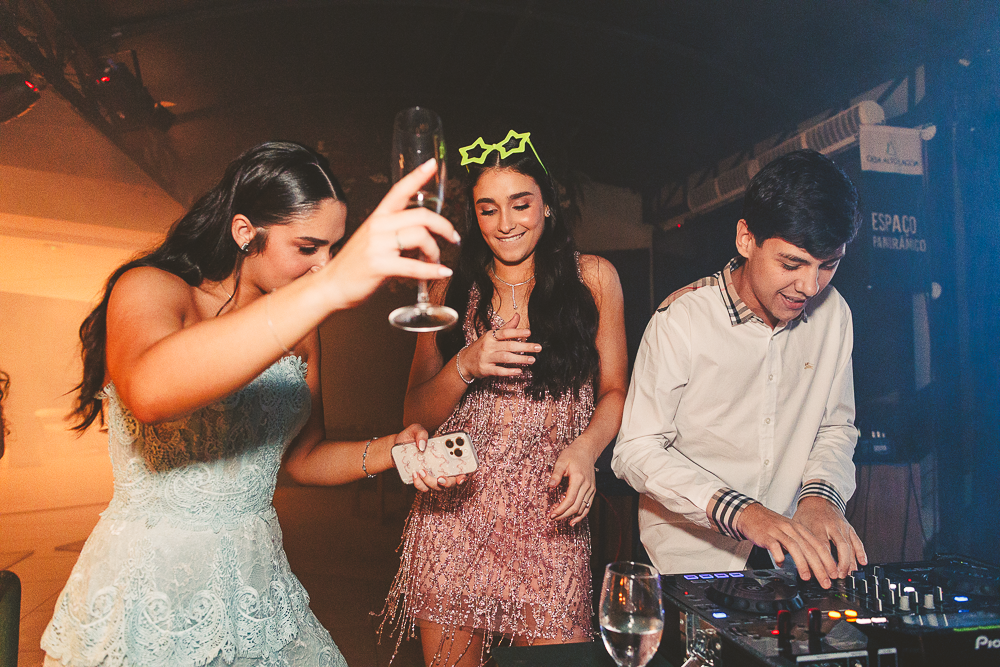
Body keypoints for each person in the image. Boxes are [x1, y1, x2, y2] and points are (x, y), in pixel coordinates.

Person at [40, 141, 459, 667]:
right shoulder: (152, 289)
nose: (322, 266)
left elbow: (302, 458)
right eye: (308, 247)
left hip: (255, 585)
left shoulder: (302, 331)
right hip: (150, 588)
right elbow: (148, 393)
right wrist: (328, 288)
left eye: (333, 250)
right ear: (245, 232)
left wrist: (394, 450)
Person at [381, 130, 628, 667]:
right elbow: (414, 414)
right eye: (488, 209)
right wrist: (465, 364)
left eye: (521, 204)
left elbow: (614, 391)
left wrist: (586, 449)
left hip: (551, 517)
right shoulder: (448, 290)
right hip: (454, 517)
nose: (506, 223)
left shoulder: (595, 279)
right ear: (474, 216)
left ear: (547, 204)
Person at [612, 149, 868, 587]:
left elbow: (834, 428)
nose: (810, 286)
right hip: (691, 566)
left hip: (793, 564)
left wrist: (821, 497)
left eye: (828, 265)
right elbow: (636, 450)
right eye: (792, 264)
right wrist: (742, 512)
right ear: (746, 239)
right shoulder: (681, 320)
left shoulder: (834, 314)